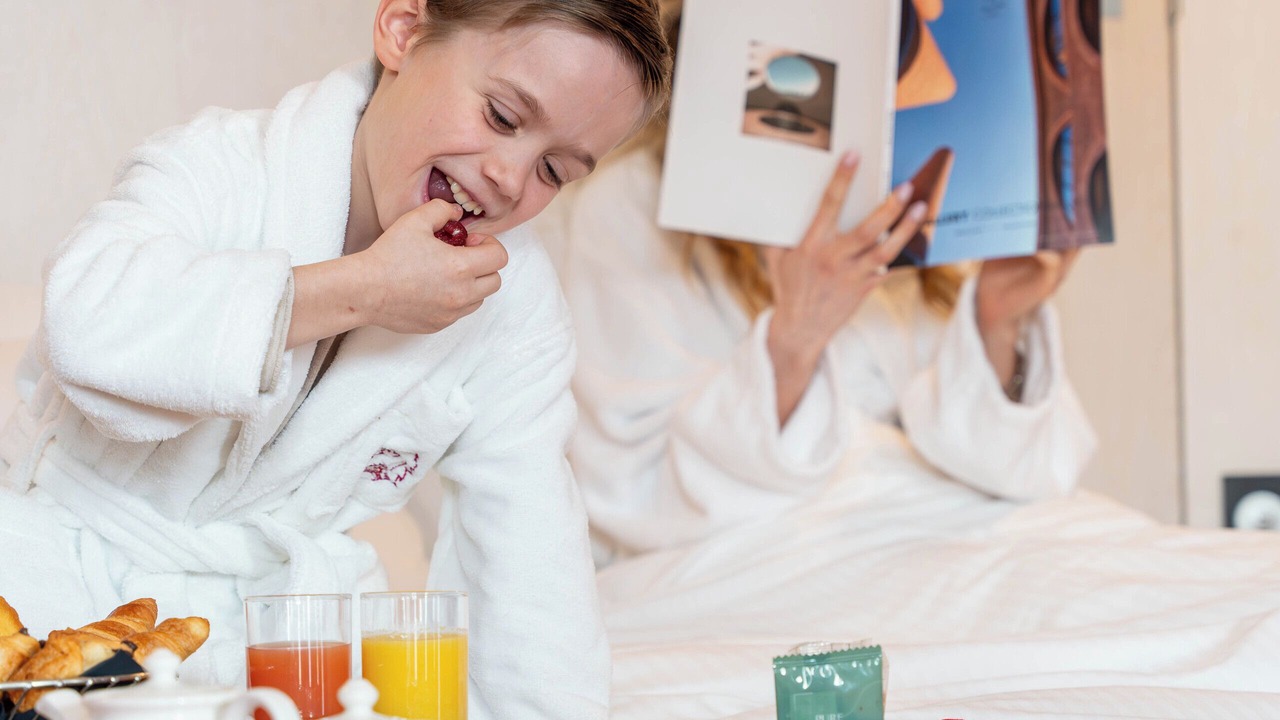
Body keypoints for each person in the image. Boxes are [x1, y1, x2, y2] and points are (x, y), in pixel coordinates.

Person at [0, 0, 670, 716]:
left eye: (555, 170)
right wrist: (364, 291)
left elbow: (529, 558)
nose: (509, 176)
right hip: (51, 604)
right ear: (403, 30)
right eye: (503, 117)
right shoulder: (223, 166)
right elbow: (88, 321)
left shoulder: (513, 307)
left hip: (282, 642)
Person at [537, 3, 1096, 567]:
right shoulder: (631, 208)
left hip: (951, 532)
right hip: (771, 553)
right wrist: (793, 342)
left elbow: (1023, 469)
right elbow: (629, 494)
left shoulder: (898, 203)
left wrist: (998, 320)